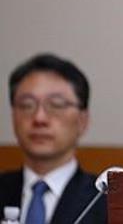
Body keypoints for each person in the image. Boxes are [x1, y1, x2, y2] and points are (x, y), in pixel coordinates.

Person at [0, 54, 106, 224]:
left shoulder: (104, 201)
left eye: (56, 105)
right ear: (13, 116)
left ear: (82, 120)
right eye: (27, 105)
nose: (39, 118)